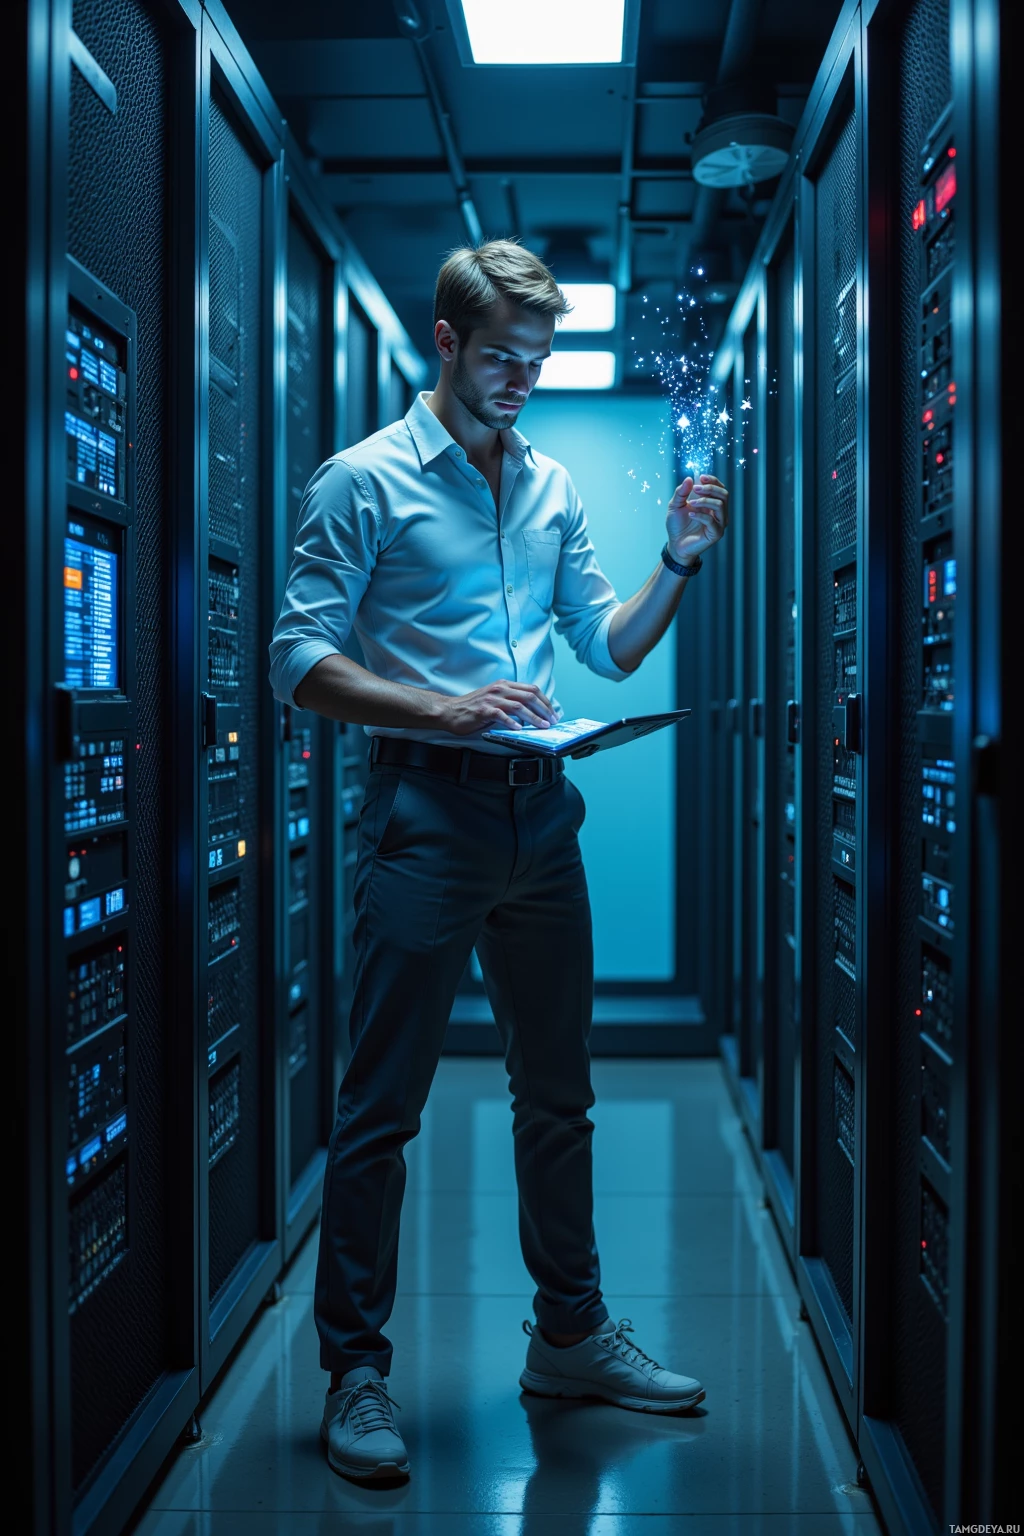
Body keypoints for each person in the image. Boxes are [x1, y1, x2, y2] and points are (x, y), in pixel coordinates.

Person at [268, 239, 729, 1484]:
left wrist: (677, 561)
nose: (520, 382)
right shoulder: (359, 482)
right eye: (502, 359)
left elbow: (612, 649)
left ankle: (569, 1338)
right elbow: (296, 661)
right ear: (446, 344)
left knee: (559, 1094)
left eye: (538, 362)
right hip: (423, 812)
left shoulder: (551, 487)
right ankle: (356, 1372)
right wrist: (443, 708)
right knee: (380, 1111)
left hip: (542, 818)